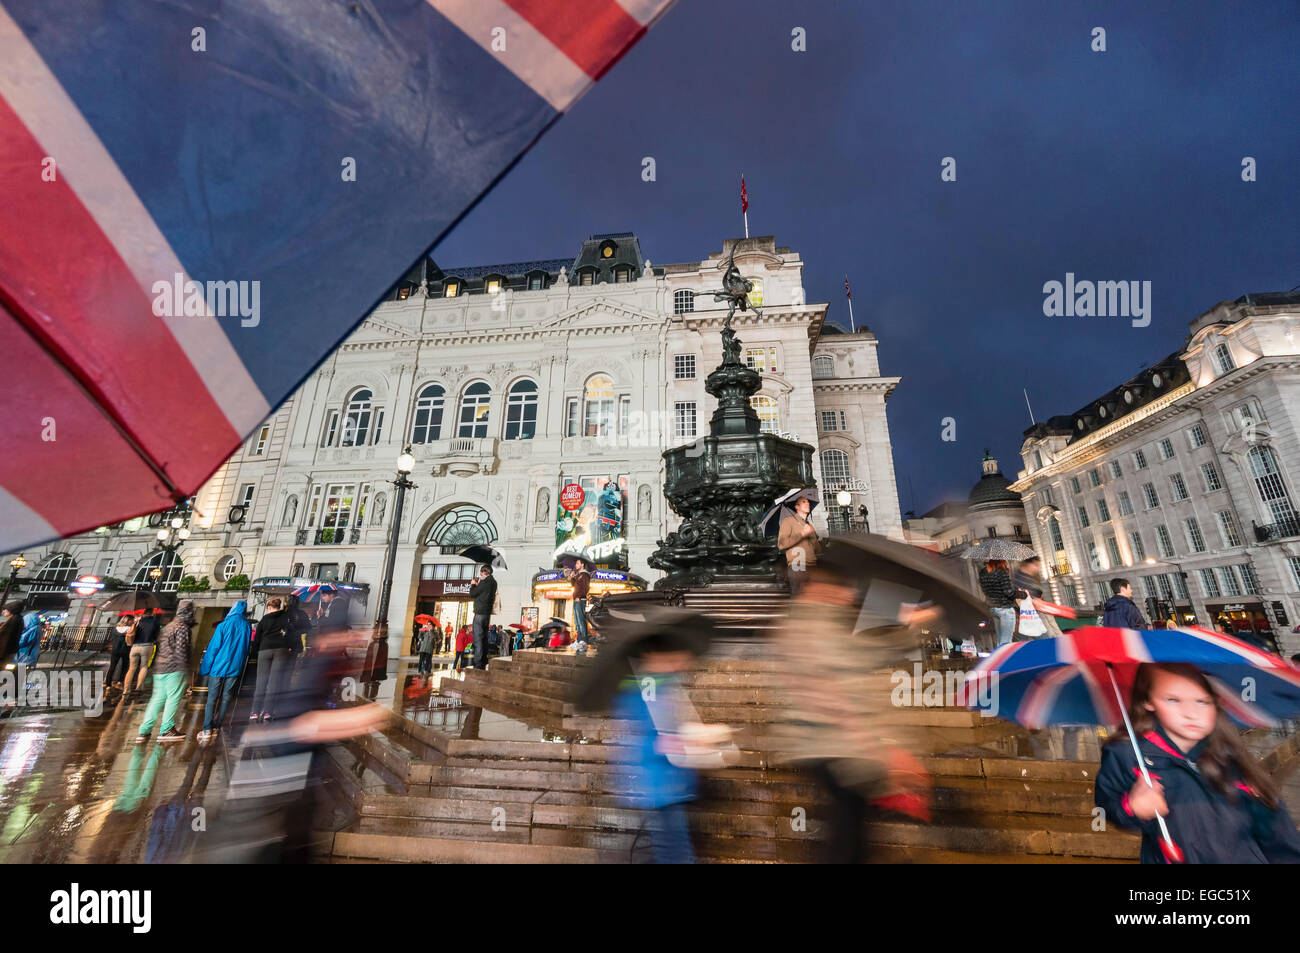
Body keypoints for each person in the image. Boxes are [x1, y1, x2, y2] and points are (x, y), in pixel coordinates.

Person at [771, 549, 935, 863]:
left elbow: (864, 653)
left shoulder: (811, 619)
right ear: (826, 588)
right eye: (846, 588)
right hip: (836, 743)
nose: (851, 594)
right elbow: (838, 688)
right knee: (848, 831)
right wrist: (879, 747)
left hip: (825, 743)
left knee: (848, 825)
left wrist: (907, 628)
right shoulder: (818, 622)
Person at [1094, 662, 1300, 863]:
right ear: (1148, 700)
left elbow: (1277, 833)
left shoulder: (1231, 758)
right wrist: (1131, 808)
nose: (1190, 713)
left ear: (1215, 702)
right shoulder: (1128, 755)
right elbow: (1107, 806)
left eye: (1202, 701)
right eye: (1173, 700)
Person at [136, 601, 195, 745]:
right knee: (173, 698)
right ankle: (167, 729)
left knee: (157, 699)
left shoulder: (169, 626)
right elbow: (181, 650)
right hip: (174, 668)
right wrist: (185, 669)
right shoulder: (182, 627)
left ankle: (144, 730)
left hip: (160, 668)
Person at [198, 601, 253, 745]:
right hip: (235, 666)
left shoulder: (223, 625)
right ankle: (218, 725)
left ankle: (207, 729)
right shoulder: (247, 626)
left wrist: (205, 668)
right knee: (227, 697)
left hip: (218, 666)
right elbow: (247, 648)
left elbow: (213, 648)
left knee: (212, 698)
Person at [251, 598, 295, 722]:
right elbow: (291, 633)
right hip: (281, 649)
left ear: (269, 607)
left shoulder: (265, 619)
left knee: (261, 682)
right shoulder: (286, 617)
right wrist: (290, 646)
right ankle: (267, 712)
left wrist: (255, 652)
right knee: (274, 682)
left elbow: (257, 637)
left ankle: (255, 712)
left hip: (265, 650)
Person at [1010, 555, 1063, 640]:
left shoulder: (1024, 576)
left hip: (1027, 616)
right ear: (1029, 564)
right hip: (1026, 616)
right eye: (1036, 566)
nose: (1038, 569)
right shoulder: (1020, 578)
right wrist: (1037, 602)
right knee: (1044, 641)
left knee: (1022, 642)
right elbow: (1022, 598)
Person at [977, 559, 1024, 647]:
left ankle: (1000, 657)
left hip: (993, 608)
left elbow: (985, 591)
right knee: (1006, 640)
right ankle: (1006, 660)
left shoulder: (983, 573)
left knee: (1000, 639)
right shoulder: (1001, 572)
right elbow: (1008, 592)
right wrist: (1023, 594)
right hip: (1004, 608)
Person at [777, 495, 818, 594]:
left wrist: (814, 536)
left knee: (812, 599)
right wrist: (802, 534)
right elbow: (782, 544)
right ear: (797, 507)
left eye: (808, 502)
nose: (807, 503)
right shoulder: (788, 521)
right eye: (804, 502)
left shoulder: (809, 525)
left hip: (812, 566)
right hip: (798, 565)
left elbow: (817, 549)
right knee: (799, 597)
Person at [123, 610, 161, 699]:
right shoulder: (155, 622)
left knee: (131, 668)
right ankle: (138, 688)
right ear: (152, 613)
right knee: (143, 666)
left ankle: (126, 690)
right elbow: (157, 636)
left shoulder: (138, 621)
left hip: (135, 646)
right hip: (147, 646)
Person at [468, 564, 497, 670]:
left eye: (481, 573)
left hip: (479, 613)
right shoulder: (493, 582)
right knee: (484, 637)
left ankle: (478, 663)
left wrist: (473, 584)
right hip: (487, 614)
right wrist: (480, 584)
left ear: (483, 572)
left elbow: (472, 594)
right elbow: (484, 592)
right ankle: (484, 660)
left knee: (478, 638)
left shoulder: (484, 583)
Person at [567, 558, 593, 655]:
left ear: (582, 564)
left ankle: (583, 641)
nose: (576, 565)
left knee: (581, 620)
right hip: (576, 599)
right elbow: (574, 585)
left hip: (580, 600)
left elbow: (586, 588)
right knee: (577, 621)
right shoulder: (578, 575)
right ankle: (578, 640)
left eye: (577, 563)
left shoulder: (585, 574)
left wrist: (579, 596)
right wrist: (573, 577)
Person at [106, 616, 134, 690]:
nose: (132, 622)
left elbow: (112, 639)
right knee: (124, 667)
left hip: (115, 650)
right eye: (131, 620)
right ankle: (119, 681)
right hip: (125, 650)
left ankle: (107, 683)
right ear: (127, 621)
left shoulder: (115, 629)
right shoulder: (129, 629)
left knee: (112, 667)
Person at [0, 601, 23, 668]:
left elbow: (5, 636)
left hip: (6, 651)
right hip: (9, 650)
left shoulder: (14, 620)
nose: (3, 611)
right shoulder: (16, 619)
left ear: (11, 610)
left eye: (5, 610)